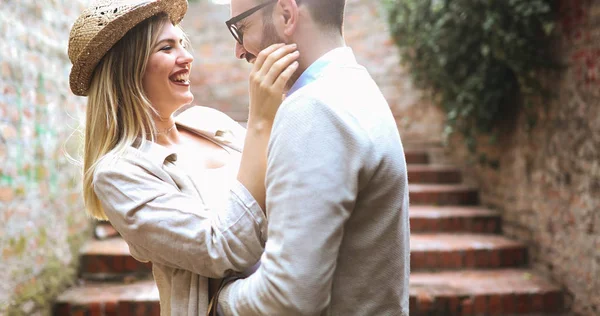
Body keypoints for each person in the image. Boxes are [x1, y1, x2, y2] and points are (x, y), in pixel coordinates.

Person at [67, 0, 299, 315]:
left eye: (183, 44)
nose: (187, 57)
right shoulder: (118, 173)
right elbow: (224, 249)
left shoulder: (210, 122)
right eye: (167, 48)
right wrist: (260, 120)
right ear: (127, 69)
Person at [214, 0, 411, 315]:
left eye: (241, 28)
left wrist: (220, 299)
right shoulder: (355, 87)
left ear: (286, 14)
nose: (239, 50)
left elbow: (287, 299)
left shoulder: (313, 109)